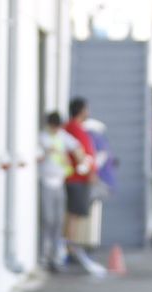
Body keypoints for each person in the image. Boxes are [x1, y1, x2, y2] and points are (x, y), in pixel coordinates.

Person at [62, 98, 104, 274]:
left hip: (80, 178)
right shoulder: (73, 128)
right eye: (86, 109)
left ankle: (72, 247)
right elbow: (79, 153)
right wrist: (89, 172)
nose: (88, 112)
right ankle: (69, 249)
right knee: (74, 215)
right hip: (77, 178)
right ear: (80, 110)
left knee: (77, 214)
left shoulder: (78, 128)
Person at [38, 111, 78, 269]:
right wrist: (51, 151)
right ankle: (44, 254)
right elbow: (42, 152)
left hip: (59, 182)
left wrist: (79, 159)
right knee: (47, 219)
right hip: (46, 182)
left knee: (58, 220)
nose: (56, 129)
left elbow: (76, 146)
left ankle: (56, 255)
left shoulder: (62, 136)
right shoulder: (43, 137)